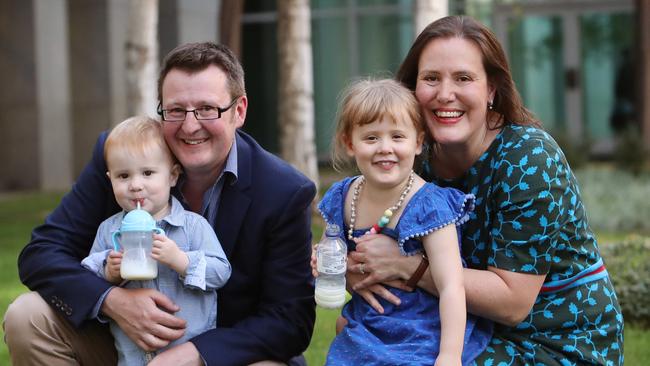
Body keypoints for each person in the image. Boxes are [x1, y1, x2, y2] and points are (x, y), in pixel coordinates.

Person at [3, 42, 317, 366]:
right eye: (176, 110)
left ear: (239, 111)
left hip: (226, 354)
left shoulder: (284, 191)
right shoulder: (125, 161)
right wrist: (111, 300)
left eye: (207, 108)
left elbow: (290, 320)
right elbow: (42, 253)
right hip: (124, 346)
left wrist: (196, 353)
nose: (190, 125)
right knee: (27, 316)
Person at [346, 16, 624, 365]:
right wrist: (353, 267)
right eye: (431, 78)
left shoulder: (529, 159)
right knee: (354, 337)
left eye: (463, 78)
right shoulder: (412, 158)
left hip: (555, 339)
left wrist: (406, 266)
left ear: (491, 89)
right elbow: (373, 243)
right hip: (456, 324)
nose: (445, 94)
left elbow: (512, 304)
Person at [316, 78, 492, 365]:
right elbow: (331, 255)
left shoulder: (429, 205)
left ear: (418, 142)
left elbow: (452, 286)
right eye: (371, 138)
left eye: (397, 137)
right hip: (369, 325)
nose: (385, 147)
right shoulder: (343, 198)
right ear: (350, 143)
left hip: (423, 330)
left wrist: (449, 355)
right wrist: (323, 262)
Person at [80, 116, 231, 365]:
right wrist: (108, 271)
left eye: (148, 173)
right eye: (123, 176)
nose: (136, 185)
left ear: (172, 176)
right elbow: (86, 277)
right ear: (110, 180)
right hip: (132, 357)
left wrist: (181, 260)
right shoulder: (109, 230)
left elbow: (221, 272)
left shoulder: (192, 226)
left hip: (188, 354)